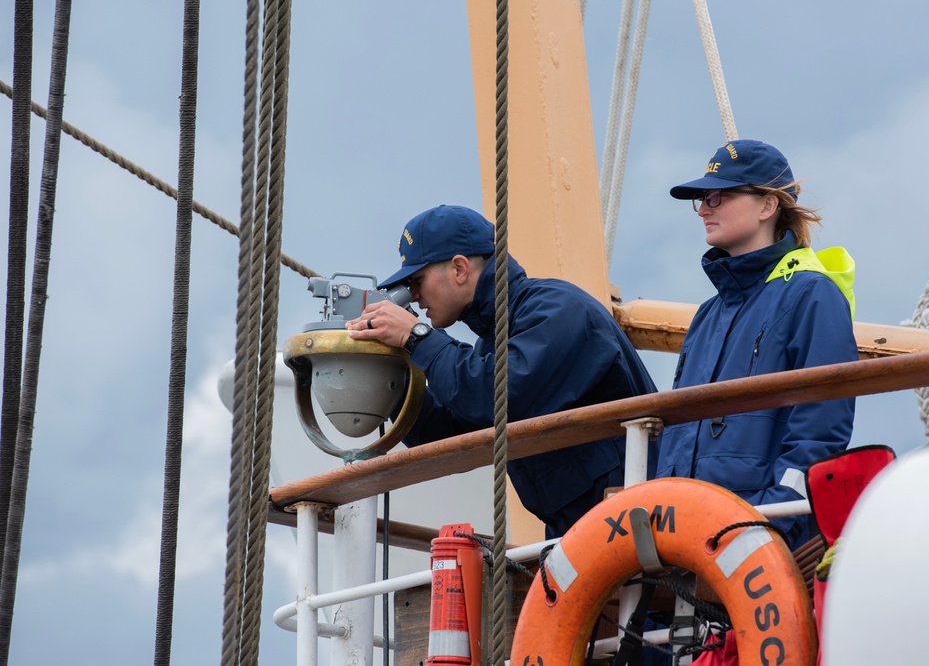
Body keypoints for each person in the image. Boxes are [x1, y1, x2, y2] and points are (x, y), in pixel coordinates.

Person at [346, 204, 659, 538]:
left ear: (459, 268)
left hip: (635, 523)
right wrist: (390, 375)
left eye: (417, 280)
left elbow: (496, 396)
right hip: (585, 528)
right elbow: (450, 432)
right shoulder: (492, 343)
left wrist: (417, 337)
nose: (415, 295)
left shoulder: (558, 310)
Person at [655, 140, 857, 550]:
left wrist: (774, 523)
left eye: (719, 195)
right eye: (701, 199)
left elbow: (820, 432)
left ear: (768, 206)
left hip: (756, 536)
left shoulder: (812, 295)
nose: (704, 209)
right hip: (683, 539)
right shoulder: (707, 316)